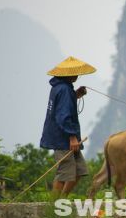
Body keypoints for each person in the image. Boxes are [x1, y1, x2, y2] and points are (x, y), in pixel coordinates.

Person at [40, 56, 96, 198]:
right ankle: (53, 205)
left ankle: (62, 199)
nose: (77, 75)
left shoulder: (61, 88)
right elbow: (62, 116)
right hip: (63, 138)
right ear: (67, 74)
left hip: (66, 137)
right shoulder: (64, 89)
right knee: (65, 174)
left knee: (79, 171)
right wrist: (72, 137)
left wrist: (76, 95)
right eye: (74, 72)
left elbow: (62, 106)